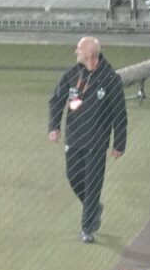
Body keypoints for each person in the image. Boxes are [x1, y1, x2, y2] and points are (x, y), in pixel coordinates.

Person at [47, 36, 127, 243]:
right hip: (74, 138)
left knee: (93, 185)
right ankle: (93, 208)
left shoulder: (110, 79)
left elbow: (119, 113)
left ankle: (87, 228)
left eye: (79, 49)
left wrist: (119, 144)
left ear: (90, 55)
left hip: (96, 143)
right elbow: (56, 100)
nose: (76, 51)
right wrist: (54, 126)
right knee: (74, 177)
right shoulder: (72, 75)